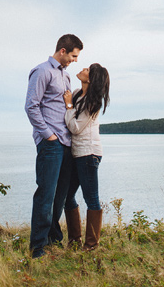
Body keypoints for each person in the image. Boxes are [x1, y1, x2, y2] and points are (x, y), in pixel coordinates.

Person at [24, 34, 84, 258]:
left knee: (61, 195)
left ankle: (52, 238)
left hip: (67, 143)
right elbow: (31, 106)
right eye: (73, 56)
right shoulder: (41, 71)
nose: (75, 60)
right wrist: (48, 135)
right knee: (46, 193)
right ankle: (37, 246)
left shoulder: (66, 77)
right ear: (62, 51)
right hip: (51, 143)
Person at [62, 62, 110, 251]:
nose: (83, 69)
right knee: (68, 196)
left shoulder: (92, 103)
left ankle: (91, 245)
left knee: (91, 198)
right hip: (77, 153)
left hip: (89, 154)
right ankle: (75, 241)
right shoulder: (76, 94)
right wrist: (70, 104)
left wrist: (68, 106)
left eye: (87, 70)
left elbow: (74, 127)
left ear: (90, 79)